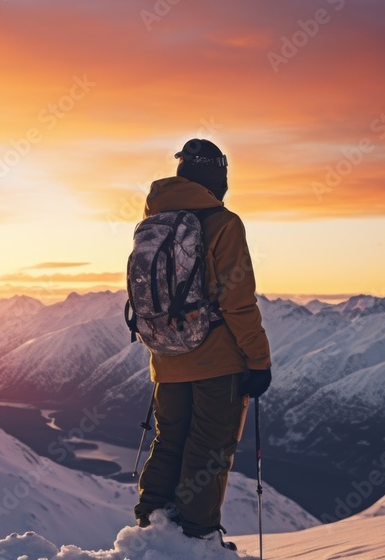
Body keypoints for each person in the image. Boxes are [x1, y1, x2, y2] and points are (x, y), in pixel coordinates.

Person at [132, 139, 273, 550]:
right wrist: (258, 360)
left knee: (170, 438)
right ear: (218, 176)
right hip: (217, 360)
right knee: (210, 448)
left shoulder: (155, 219)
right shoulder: (224, 222)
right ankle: (198, 540)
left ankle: (151, 526)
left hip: (166, 356)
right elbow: (237, 300)